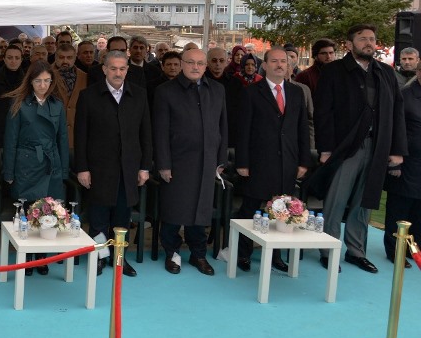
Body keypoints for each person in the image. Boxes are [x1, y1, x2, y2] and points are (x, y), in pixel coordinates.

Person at [314, 24, 406, 274]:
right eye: (362, 38)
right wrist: (325, 148)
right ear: (349, 44)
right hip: (345, 147)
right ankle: (328, 249)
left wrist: (396, 150)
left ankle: (356, 252)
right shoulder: (334, 71)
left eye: (372, 39)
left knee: (364, 202)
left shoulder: (386, 73)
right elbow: (323, 113)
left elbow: (397, 112)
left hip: (378, 147)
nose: (368, 43)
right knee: (336, 200)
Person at [74, 51, 152, 277]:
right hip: (98, 169)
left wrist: (144, 167)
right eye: (113, 68)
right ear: (104, 69)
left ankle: (119, 259)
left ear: (127, 69)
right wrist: (82, 168)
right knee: (98, 219)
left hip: (128, 170)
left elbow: (146, 134)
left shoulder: (139, 95)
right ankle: (99, 257)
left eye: (122, 68)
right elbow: (80, 136)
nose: (118, 73)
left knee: (122, 220)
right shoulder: (88, 96)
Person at [234, 48, 311, 273]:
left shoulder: (296, 93)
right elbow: (243, 131)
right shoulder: (250, 92)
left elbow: (302, 129)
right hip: (258, 163)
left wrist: (304, 161)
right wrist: (242, 163)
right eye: (274, 61)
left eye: (283, 61)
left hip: (287, 163)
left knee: (282, 212)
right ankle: (244, 254)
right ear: (264, 65)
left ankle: (276, 255)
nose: (279, 65)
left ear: (289, 65)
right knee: (250, 210)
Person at [154, 48, 228, 276]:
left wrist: (221, 159)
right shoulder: (165, 91)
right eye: (190, 62)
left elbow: (223, 127)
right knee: (174, 209)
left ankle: (198, 254)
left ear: (205, 66)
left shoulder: (217, 90)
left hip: (207, 161)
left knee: (201, 209)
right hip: (178, 162)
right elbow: (160, 131)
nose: (195, 67)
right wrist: (164, 164)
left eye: (200, 63)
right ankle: (172, 252)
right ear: (182, 64)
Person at [2, 60, 70, 276]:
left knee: (49, 211)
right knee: (27, 211)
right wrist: (9, 172)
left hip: (51, 163)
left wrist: (63, 170)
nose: (43, 85)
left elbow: (63, 138)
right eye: (38, 81)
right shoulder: (19, 103)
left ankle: (42, 257)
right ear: (30, 81)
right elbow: (10, 140)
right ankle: (27, 258)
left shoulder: (57, 105)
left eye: (47, 81)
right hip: (26, 163)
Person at [384, 74, 421, 268]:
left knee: (418, 211)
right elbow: (395, 130)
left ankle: (414, 249)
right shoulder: (405, 95)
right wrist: (395, 162)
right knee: (399, 209)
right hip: (406, 164)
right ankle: (395, 250)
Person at [0, 44, 25, 148]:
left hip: (22, 131)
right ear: (3, 59)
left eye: (17, 58)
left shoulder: (27, 82)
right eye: (9, 57)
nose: (13, 61)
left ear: (21, 60)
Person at [53, 43, 88, 151]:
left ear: (75, 58)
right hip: (54, 135)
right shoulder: (47, 76)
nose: (65, 61)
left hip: (78, 136)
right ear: (55, 58)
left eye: (69, 58)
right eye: (61, 57)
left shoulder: (85, 77)